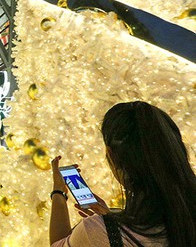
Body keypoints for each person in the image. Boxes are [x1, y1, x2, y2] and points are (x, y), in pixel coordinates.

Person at [49, 101, 195, 247]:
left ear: (111, 155)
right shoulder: (185, 220)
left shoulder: (98, 232)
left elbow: (57, 244)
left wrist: (58, 193)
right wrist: (113, 220)